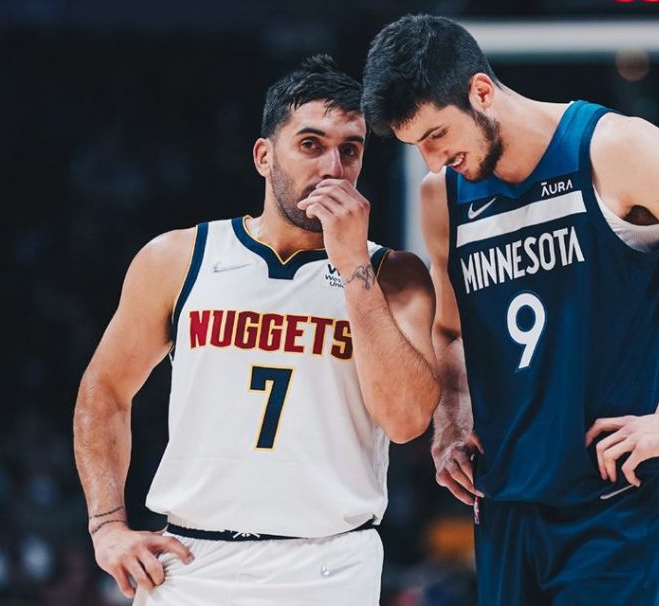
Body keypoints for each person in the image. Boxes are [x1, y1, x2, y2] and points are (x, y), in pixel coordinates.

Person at [362, 14, 659, 604]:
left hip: (610, 506)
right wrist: (451, 418)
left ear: (481, 92)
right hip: (504, 505)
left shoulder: (615, 149)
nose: (432, 159)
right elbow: (451, 331)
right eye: (417, 145)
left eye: (437, 135)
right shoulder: (442, 196)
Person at [73, 55, 440, 605]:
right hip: (193, 561)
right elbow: (103, 390)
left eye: (350, 150)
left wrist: (352, 265)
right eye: (311, 144)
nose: (333, 167)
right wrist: (106, 525)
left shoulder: (394, 274)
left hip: (329, 565)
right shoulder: (180, 257)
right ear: (264, 156)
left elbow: (408, 421)